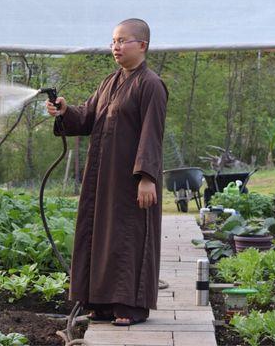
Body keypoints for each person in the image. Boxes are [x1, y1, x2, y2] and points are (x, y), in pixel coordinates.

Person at [46, 18, 168, 326]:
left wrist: (147, 177)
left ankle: (129, 306)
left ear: (142, 45)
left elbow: (152, 134)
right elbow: (87, 117)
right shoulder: (110, 82)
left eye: (123, 41)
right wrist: (64, 110)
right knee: (101, 236)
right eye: (113, 40)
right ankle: (100, 303)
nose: (116, 46)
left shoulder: (151, 84)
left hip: (131, 180)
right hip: (102, 178)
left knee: (128, 236)